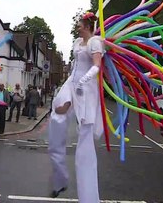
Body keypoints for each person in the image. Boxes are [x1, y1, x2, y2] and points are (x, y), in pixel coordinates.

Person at [48, 12, 104, 202]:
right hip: (72, 83)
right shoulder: (76, 43)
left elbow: (97, 65)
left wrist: (84, 81)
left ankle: (89, 199)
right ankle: (60, 179)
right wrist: (70, 86)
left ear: (87, 25)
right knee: (56, 118)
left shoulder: (95, 42)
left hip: (86, 90)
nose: (77, 27)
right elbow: (75, 66)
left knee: (84, 147)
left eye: (80, 24)